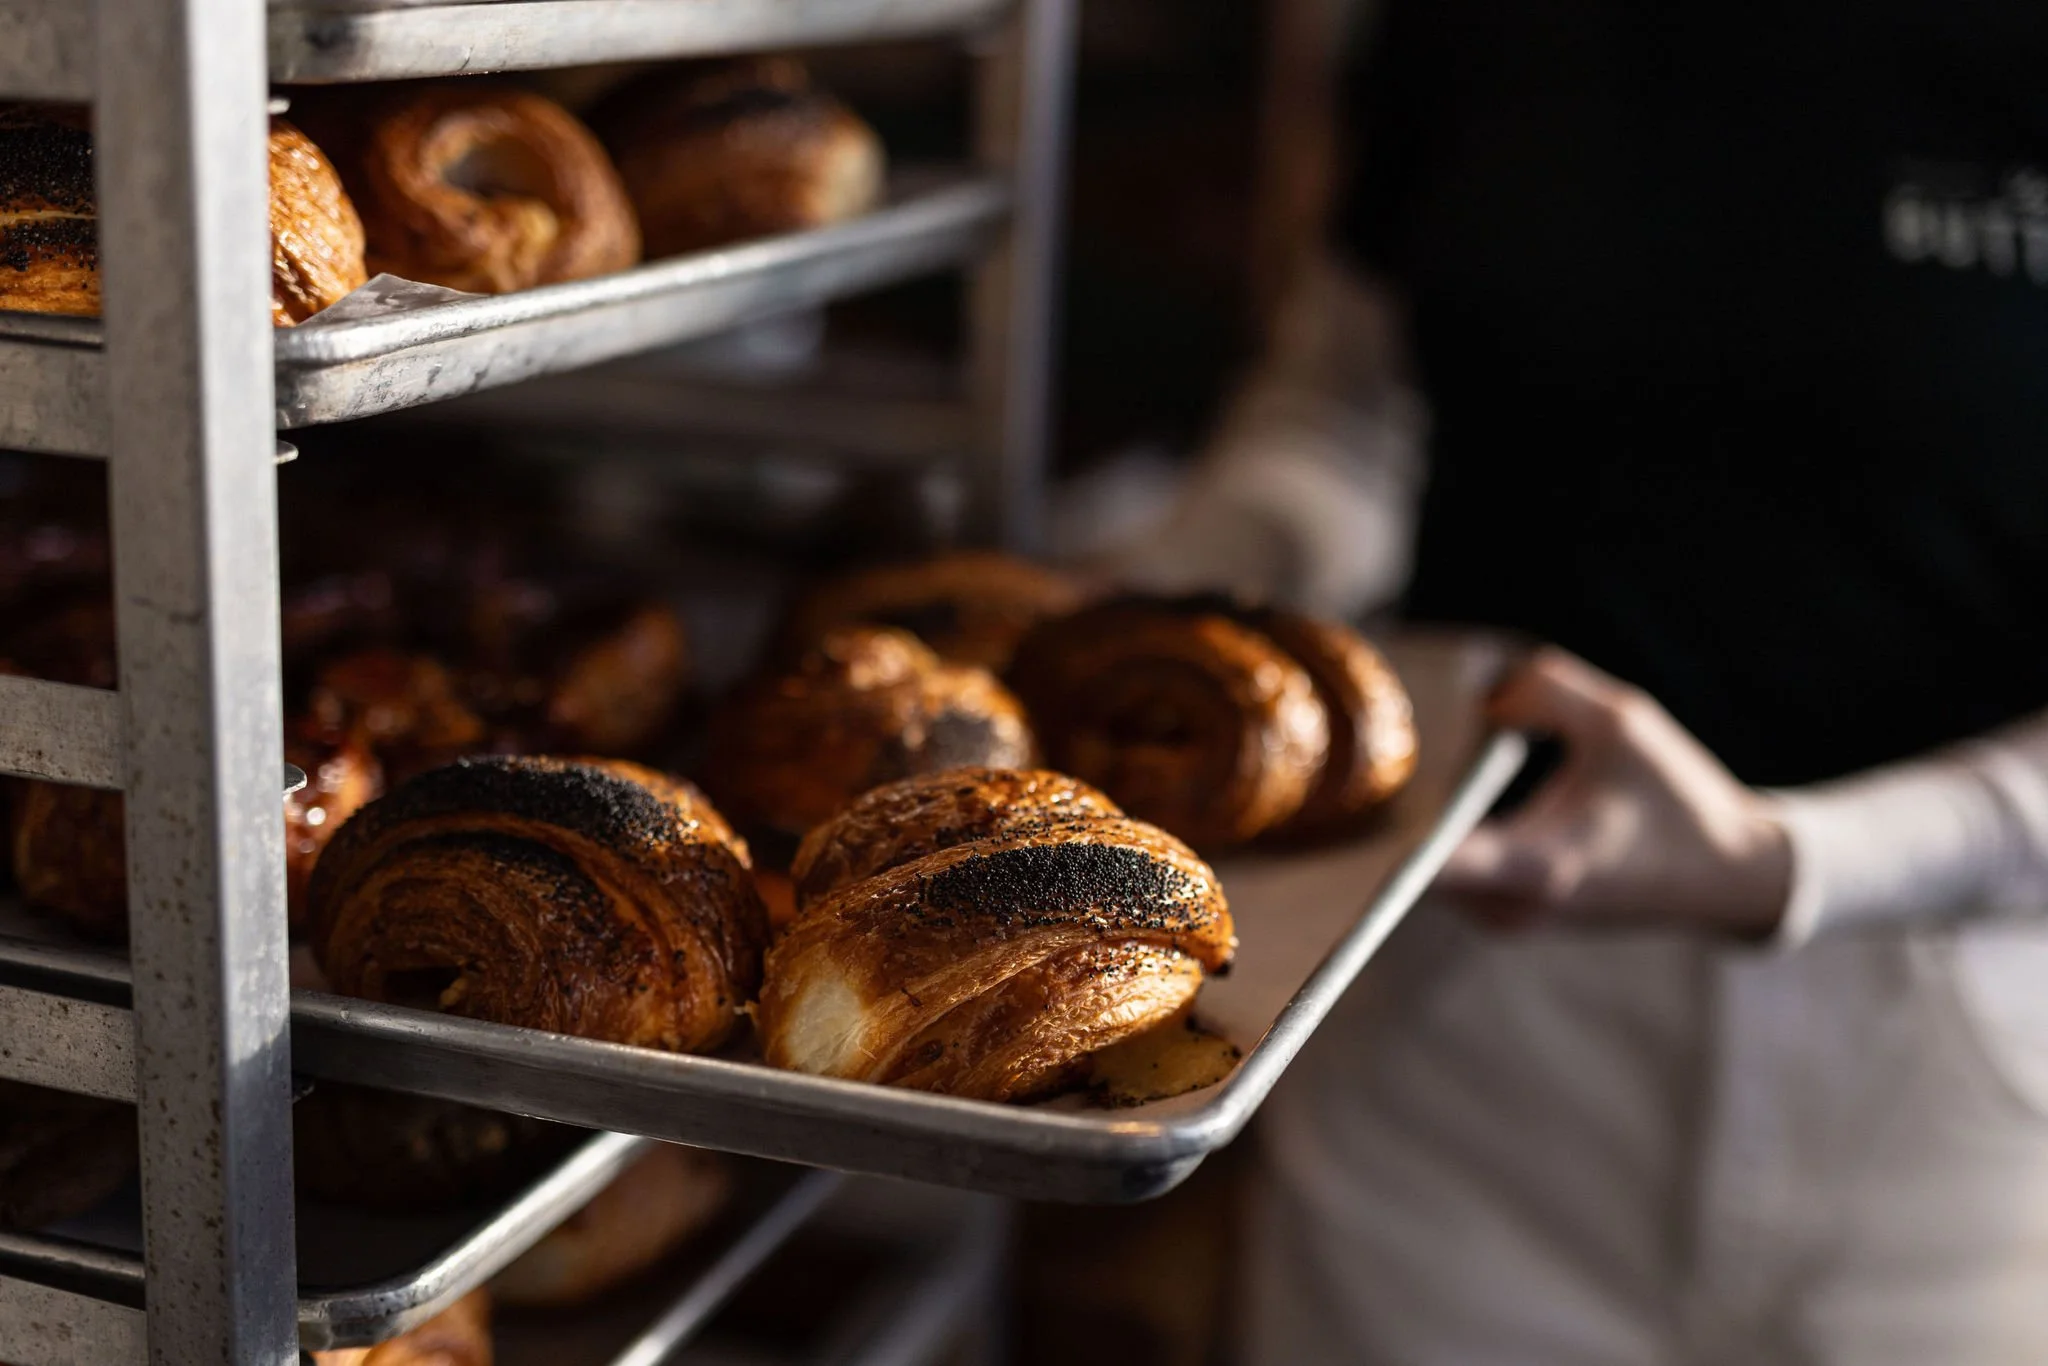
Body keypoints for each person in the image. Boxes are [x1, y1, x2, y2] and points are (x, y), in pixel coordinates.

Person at [1119, 1, 2048, 1361]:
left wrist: (1796, 857)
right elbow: (1348, 410)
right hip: (1470, 1012)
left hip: (1959, 1061)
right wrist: (1174, 595)